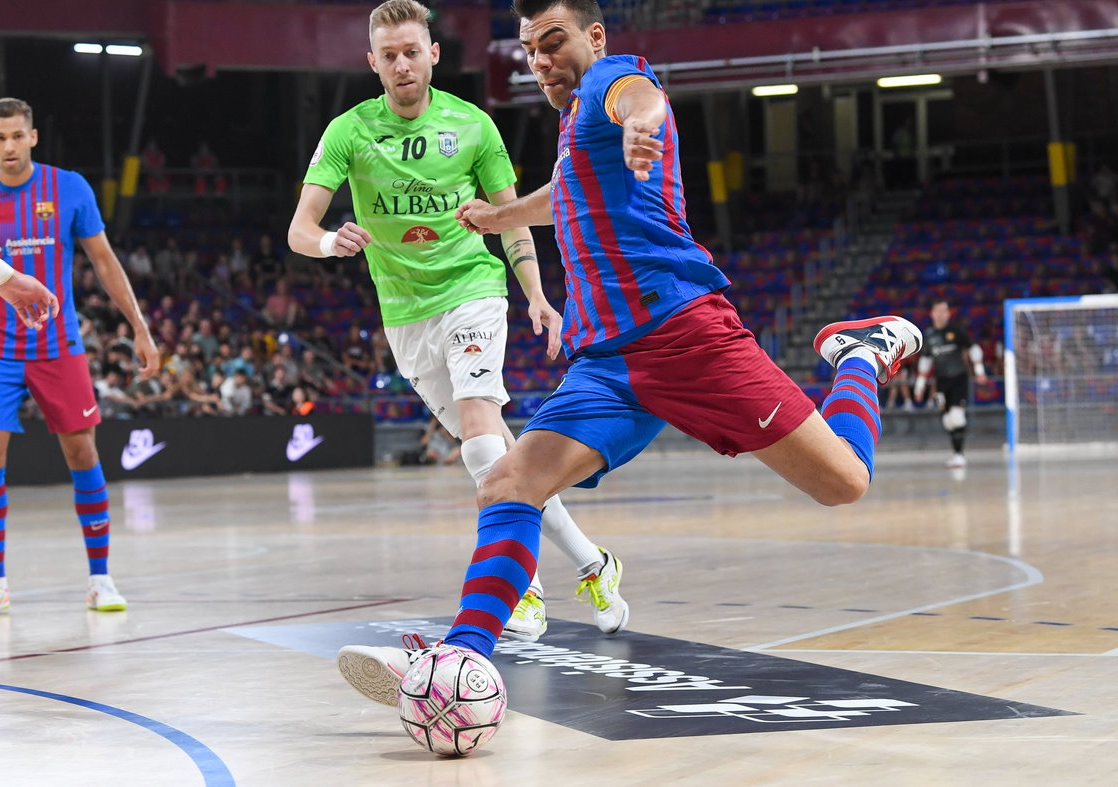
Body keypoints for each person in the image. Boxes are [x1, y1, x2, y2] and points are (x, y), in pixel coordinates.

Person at [331, 0, 922, 710]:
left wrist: (644, 123)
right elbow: (569, 194)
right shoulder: (573, 128)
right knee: (509, 483)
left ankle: (859, 355)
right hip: (608, 362)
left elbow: (640, 98)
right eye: (529, 50)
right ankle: (462, 659)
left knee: (844, 483)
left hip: (686, 336)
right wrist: (502, 216)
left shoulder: (613, 79)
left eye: (553, 42)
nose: (540, 59)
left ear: (595, 37)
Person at [287, 0, 628, 651]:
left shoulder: (472, 126)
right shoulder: (350, 131)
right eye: (388, 55)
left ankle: (516, 584)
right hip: (406, 316)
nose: (402, 64)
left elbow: (514, 215)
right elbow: (300, 229)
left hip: (473, 292)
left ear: (433, 54)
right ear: (373, 63)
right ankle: (593, 563)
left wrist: (535, 293)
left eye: (412, 51)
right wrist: (331, 244)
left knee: (479, 439)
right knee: (502, 462)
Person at [0, 97, 160, 616]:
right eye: (0, 137)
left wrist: (140, 329)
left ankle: (101, 577)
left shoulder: (68, 188)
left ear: (33, 137)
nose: (10, 146)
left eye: (18, 136)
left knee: (82, 453)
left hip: (58, 345)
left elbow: (104, 260)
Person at [913, 299, 986, 469]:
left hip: (959, 379)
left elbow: (973, 348)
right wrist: (920, 386)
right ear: (932, 313)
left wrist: (980, 371)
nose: (942, 314)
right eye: (938, 310)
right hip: (940, 383)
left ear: (948, 313)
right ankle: (956, 454)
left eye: (945, 310)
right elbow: (925, 361)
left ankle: (959, 455)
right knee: (946, 419)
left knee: (957, 417)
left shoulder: (956, 330)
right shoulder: (929, 335)